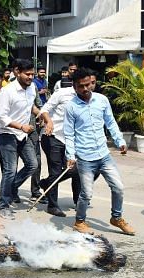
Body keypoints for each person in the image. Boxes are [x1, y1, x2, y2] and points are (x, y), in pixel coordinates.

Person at [63, 68, 134, 235]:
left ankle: (116, 218)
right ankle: (79, 221)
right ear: (74, 87)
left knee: (118, 187)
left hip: (104, 155)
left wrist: (120, 141)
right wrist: (71, 156)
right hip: (85, 158)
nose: (86, 89)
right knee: (86, 194)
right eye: (81, 86)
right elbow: (69, 133)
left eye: (88, 84)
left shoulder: (102, 100)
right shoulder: (71, 107)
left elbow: (110, 122)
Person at [0, 58, 41, 219]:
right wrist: (21, 126)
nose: (30, 77)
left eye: (32, 74)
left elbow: (31, 107)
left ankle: (11, 187)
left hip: (23, 134)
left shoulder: (32, 88)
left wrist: (41, 115)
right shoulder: (8, 91)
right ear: (17, 72)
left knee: (32, 164)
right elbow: (1, 117)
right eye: (27, 74)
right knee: (10, 169)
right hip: (7, 133)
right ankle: (4, 205)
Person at [38, 78, 81, 217]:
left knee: (76, 170)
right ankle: (52, 205)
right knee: (55, 170)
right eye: (82, 85)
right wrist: (49, 121)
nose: (86, 88)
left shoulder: (89, 99)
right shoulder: (62, 93)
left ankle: (78, 201)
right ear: (75, 84)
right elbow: (44, 109)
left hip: (70, 140)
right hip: (53, 136)